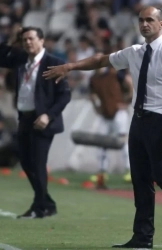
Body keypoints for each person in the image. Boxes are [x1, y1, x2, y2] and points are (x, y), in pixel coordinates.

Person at [43, 6, 162, 249]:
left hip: (161, 121)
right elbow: (101, 60)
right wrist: (70, 67)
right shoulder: (135, 52)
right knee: (140, 180)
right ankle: (143, 237)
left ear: (161, 24)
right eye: (141, 20)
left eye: (150, 20)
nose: (144, 24)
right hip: (137, 120)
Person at [0, 26, 71, 218]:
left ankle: (40, 207)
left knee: (38, 163)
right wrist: (12, 40)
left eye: (31, 39)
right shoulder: (21, 59)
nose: (28, 43)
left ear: (42, 40)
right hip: (24, 117)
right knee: (26, 163)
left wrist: (48, 115)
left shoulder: (54, 63)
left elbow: (64, 95)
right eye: (25, 40)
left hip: (43, 119)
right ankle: (46, 202)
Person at [89, 65, 132, 188]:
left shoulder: (115, 74)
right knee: (101, 142)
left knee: (123, 140)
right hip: (105, 113)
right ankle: (102, 172)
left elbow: (129, 83)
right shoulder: (93, 79)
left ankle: (130, 170)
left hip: (118, 111)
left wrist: (127, 100)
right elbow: (91, 94)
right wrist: (96, 107)